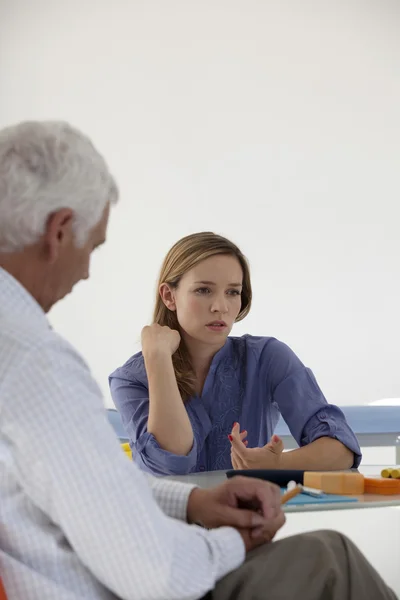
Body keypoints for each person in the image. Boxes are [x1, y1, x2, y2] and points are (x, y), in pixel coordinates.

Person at [0, 121, 395, 600]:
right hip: (156, 575)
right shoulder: (40, 363)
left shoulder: (265, 356)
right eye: (93, 247)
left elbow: (98, 495)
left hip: (153, 556)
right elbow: (160, 546)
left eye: (232, 293)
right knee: (331, 556)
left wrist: (203, 498)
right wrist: (231, 536)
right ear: (60, 231)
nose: (86, 271)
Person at [109, 232, 362, 476]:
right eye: (203, 290)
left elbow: (342, 449)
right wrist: (157, 359)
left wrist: (278, 463)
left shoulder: (268, 358)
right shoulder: (131, 380)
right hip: (162, 521)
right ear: (169, 296)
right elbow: (170, 461)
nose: (220, 307)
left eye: (232, 292)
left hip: (248, 520)